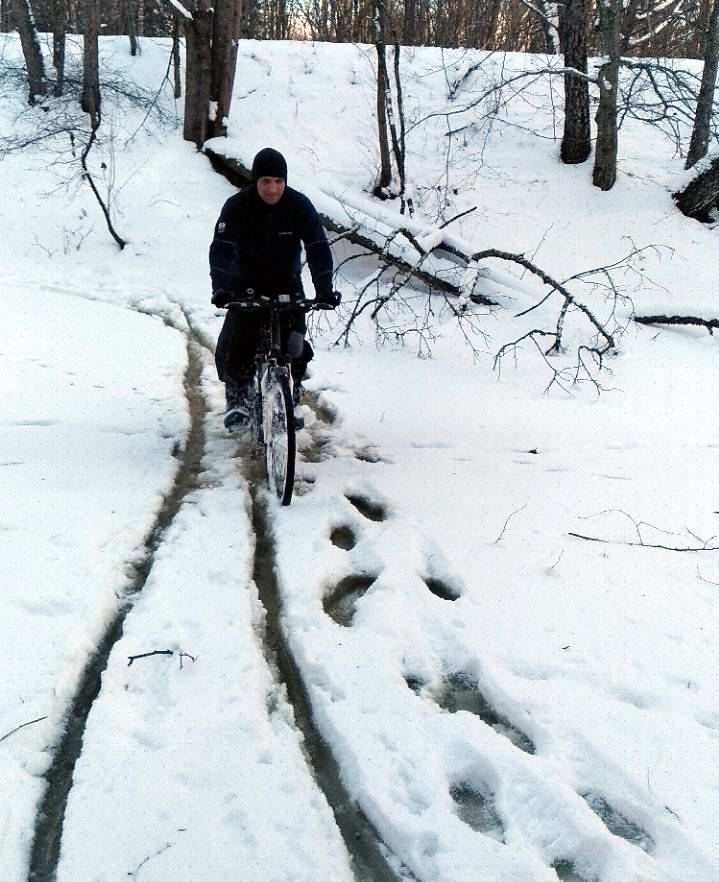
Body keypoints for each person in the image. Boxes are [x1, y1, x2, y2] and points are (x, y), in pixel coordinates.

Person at [210, 147, 340, 430]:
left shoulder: (298, 205)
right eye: (266, 181)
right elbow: (221, 248)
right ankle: (239, 401)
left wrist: (324, 289)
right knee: (240, 341)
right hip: (245, 282)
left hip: (287, 281)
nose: (272, 188)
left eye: (278, 181)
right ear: (255, 181)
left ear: (285, 182)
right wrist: (221, 288)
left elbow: (317, 246)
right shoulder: (237, 206)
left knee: (294, 345)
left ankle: (289, 398)